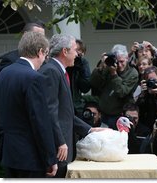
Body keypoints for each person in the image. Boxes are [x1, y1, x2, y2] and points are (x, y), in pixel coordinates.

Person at [38, 34, 106, 178]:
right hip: (58, 148)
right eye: (75, 50)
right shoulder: (51, 71)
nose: (77, 54)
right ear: (65, 51)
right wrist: (60, 141)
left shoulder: (58, 71)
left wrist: (89, 129)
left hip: (63, 146)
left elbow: (65, 113)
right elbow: (50, 112)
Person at [0, 32, 58, 178]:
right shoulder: (34, 78)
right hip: (30, 157)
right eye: (46, 54)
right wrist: (50, 158)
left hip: (9, 153)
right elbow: (40, 122)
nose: (45, 59)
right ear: (40, 52)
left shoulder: (3, 73)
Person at [90, 44, 139, 130]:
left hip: (119, 115)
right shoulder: (108, 67)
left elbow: (122, 92)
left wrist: (114, 74)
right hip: (103, 113)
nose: (119, 65)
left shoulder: (132, 73)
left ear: (127, 59)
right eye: (117, 62)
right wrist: (101, 67)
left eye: (122, 61)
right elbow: (94, 83)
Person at [66, 39, 91, 117]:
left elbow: (85, 88)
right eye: (75, 50)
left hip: (76, 106)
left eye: (79, 52)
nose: (76, 55)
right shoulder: (64, 63)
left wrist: (80, 69)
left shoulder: (82, 63)